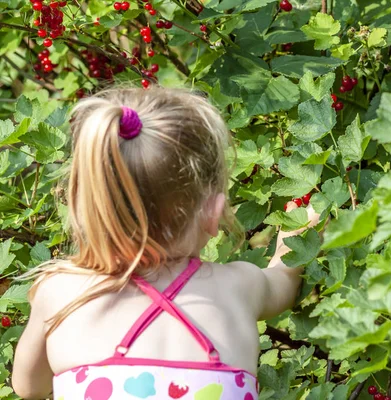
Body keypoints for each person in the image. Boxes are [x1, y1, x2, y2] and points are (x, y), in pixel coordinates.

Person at [12, 88, 319, 400]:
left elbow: (29, 387)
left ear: (86, 207)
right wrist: (295, 239)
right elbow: (284, 278)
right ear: (213, 212)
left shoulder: (61, 294)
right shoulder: (238, 286)